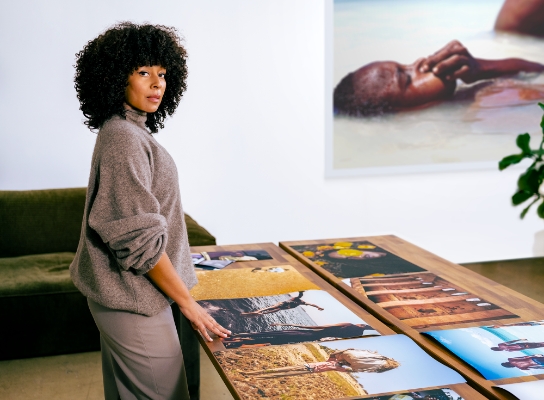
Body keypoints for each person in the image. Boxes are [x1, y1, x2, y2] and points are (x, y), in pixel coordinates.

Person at [70, 22, 230, 400]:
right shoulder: (123, 138)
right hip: (133, 300)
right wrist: (189, 305)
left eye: (162, 74)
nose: (157, 83)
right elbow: (136, 239)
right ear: (115, 77)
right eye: (144, 72)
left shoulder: (129, 130)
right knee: (167, 394)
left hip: (129, 296)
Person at [334, 40, 544, 117]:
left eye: (404, 65)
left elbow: (537, 69)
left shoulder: (465, 96)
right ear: (404, 113)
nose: (418, 61)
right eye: (407, 78)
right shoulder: (482, 108)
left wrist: (481, 67)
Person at [242, 348, 399, 379]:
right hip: (311, 368)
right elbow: (347, 366)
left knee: (285, 371)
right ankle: (252, 374)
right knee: (285, 371)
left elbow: (340, 357)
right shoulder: (340, 366)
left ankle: (254, 375)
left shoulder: (339, 365)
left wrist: (337, 360)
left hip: (312, 368)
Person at [221, 322, 373, 348]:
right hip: (309, 339)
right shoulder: (357, 334)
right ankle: (235, 342)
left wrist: (288, 324)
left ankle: (234, 337)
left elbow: (318, 326)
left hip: (306, 333)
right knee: (271, 341)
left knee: (267, 334)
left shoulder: (351, 325)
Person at [240, 291, 324, 317]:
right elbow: (301, 296)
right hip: (282, 304)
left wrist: (318, 307)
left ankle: (259, 313)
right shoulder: (298, 300)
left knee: (271, 310)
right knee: (270, 309)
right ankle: (259, 312)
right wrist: (318, 307)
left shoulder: (301, 302)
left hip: (283, 307)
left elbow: (311, 304)